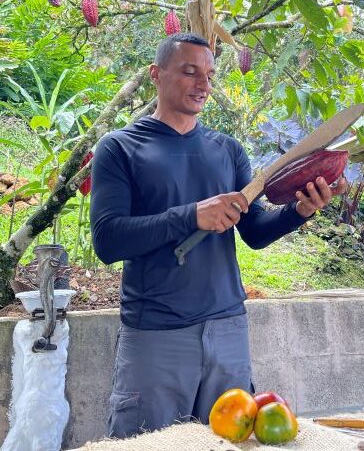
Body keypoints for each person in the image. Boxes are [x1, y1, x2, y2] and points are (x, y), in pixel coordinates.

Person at [90, 32, 346, 439]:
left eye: (209, 75)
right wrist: (192, 215)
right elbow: (108, 241)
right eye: (190, 72)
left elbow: (256, 232)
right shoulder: (120, 148)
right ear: (156, 75)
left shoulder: (227, 150)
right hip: (156, 333)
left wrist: (301, 210)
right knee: (147, 446)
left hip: (227, 330)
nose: (203, 84)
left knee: (232, 444)